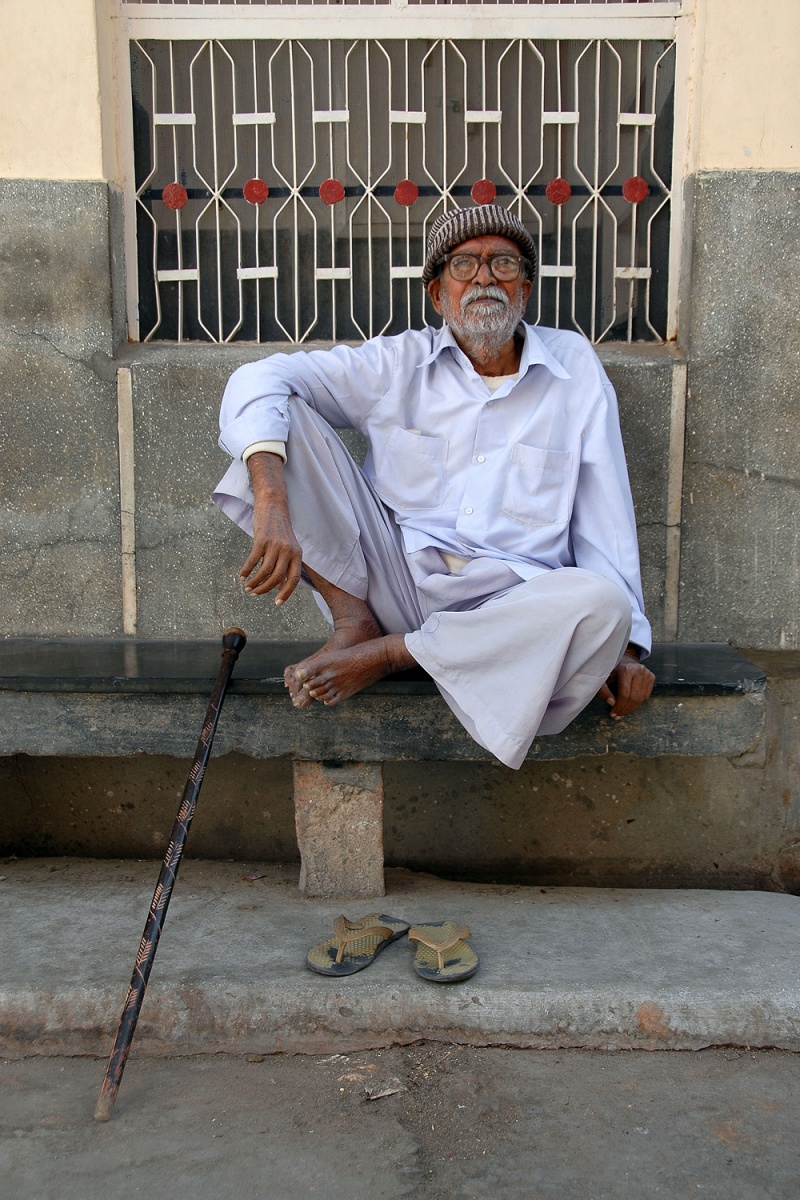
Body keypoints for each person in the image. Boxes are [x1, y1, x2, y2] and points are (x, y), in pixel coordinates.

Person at [213, 204, 655, 770]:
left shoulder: (575, 368)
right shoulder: (398, 363)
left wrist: (626, 649)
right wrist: (273, 505)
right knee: (283, 421)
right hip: (396, 583)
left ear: (525, 289)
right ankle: (356, 624)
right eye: (465, 264)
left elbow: (606, 515)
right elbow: (259, 377)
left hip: (510, 614)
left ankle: (393, 655)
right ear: (436, 293)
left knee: (603, 603)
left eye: (503, 264)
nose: (484, 279)